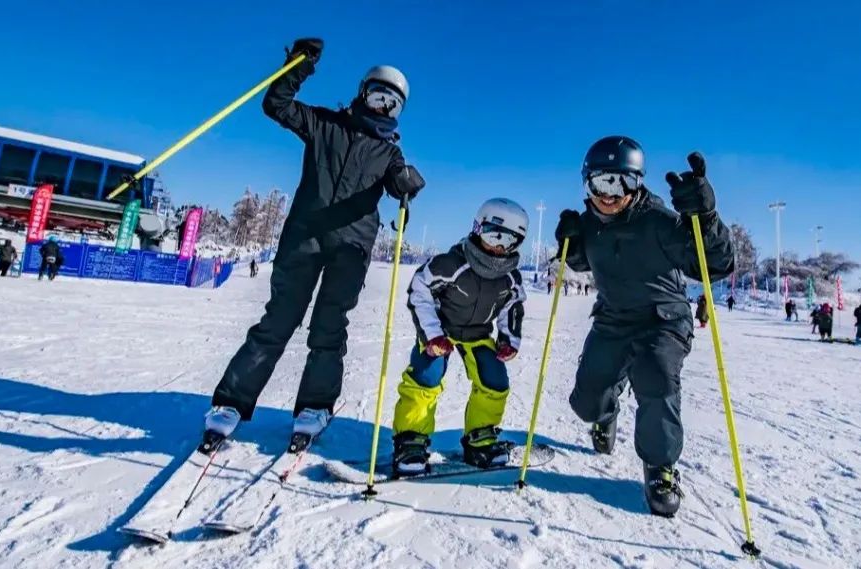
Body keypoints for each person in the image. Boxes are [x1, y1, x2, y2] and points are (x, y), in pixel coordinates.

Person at [205, 38, 426, 444]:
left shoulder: (391, 155)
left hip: (351, 248)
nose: (382, 108)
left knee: (329, 328)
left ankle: (315, 405)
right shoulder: (326, 124)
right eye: (378, 97)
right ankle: (232, 401)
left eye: (392, 105)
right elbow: (277, 105)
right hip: (303, 238)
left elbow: (399, 186)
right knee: (278, 321)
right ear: (363, 93)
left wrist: (406, 184)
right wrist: (298, 66)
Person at [555, 139, 735, 517]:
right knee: (586, 402)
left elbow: (716, 264)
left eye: (620, 183)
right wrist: (570, 246)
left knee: (655, 377)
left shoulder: (660, 221)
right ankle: (605, 414)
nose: (608, 195)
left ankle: (660, 467)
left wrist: (706, 218)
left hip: (662, 319)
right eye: (599, 184)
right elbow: (584, 263)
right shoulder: (590, 223)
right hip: (613, 319)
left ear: (637, 184)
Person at [391, 198, 528, 476]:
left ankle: (481, 437)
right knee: (427, 373)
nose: (500, 247)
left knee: (494, 378)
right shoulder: (451, 264)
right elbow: (420, 290)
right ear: (478, 228)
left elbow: (512, 305)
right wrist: (432, 335)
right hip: (442, 329)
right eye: (494, 234)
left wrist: (508, 339)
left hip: (477, 333)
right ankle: (411, 438)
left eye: (511, 241)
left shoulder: (509, 277)